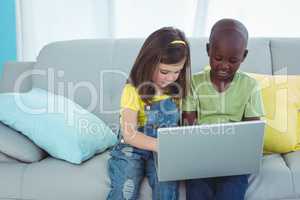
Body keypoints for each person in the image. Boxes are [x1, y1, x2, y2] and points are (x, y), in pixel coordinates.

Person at [182, 18, 264, 200]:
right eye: (218, 58)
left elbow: (252, 133)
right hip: (200, 156)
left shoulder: (250, 86)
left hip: (234, 159)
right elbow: (188, 126)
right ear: (208, 50)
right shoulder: (194, 83)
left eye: (233, 60)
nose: (224, 66)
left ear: (244, 56)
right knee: (197, 191)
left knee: (231, 192)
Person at [107, 27, 191, 200]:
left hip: (164, 148)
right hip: (133, 147)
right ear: (148, 63)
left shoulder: (176, 90)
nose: (170, 78)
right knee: (125, 188)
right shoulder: (132, 90)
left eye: (177, 71)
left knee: (167, 188)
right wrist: (161, 145)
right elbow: (129, 135)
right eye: (164, 72)